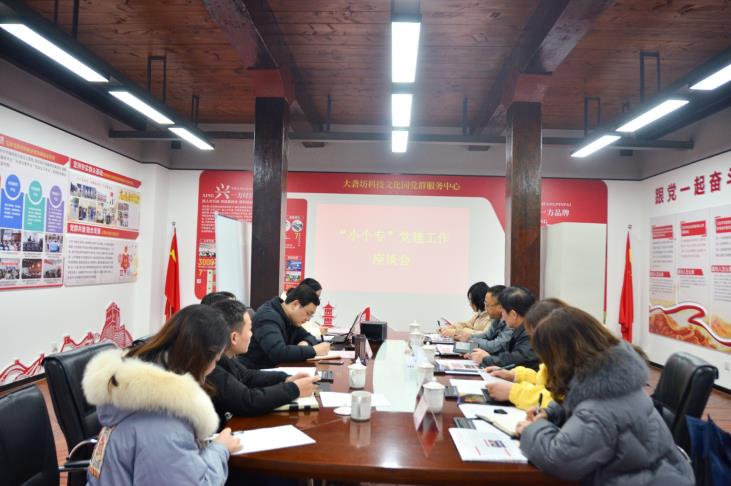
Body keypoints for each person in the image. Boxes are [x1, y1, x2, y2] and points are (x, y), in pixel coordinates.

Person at [516, 307, 695, 485]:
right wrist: (552, 413)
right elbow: (583, 407)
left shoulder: (598, 409)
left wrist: (531, 429)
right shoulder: (612, 379)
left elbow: (559, 459)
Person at [82, 305, 241, 485]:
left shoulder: (134, 392)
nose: (213, 369)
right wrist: (220, 449)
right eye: (216, 360)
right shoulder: (166, 426)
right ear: (203, 357)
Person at [207, 299, 320, 427]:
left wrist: (286, 379)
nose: (252, 334)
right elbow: (248, 401)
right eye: (250, 330)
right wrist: (294, 389)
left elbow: (246, 376)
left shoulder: (225, 356)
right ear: (234, 337)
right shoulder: (210, 366)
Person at [482, 298, 567, 409]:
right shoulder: (559, 357)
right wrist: (514, 375)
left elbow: (560, 402)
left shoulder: (578, 367)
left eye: (536, 337)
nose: (535, 344)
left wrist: (513, 392)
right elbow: (543, 381)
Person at [239, 285, 330, 369]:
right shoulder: (267, 317)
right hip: (254, 372)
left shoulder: (289, 318)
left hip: (274, 369)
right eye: (307, 313)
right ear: (295, 304)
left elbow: (309, 336)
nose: (308, 319)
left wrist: (305, 343)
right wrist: (314, 351)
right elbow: (278, 353)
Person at [468, 286, 539, 370]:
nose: (502, 317)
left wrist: (486, 359)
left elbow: (514, 360)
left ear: (513, 315)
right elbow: (508, 355)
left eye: (503, 311)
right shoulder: (522, 329)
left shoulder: (530, 334)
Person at [463, 285, 512, 353]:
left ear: (500, 307)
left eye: (487, 305)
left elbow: (494, 346)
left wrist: (470, 340)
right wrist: (469, 337)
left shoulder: (511, 323)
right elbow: (487, 335)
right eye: (485, 304)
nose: (485, 308)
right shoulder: (497, 318)